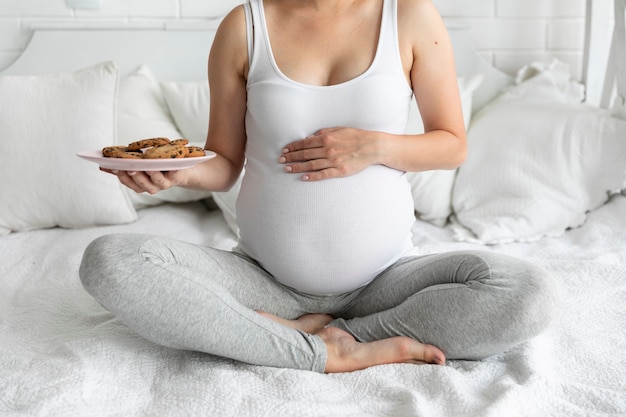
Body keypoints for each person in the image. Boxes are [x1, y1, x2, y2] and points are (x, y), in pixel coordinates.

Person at [80, 0, 557, 373]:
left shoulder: (409, 17)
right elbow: (224, 165)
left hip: (385, 282)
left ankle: (317, 334)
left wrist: (372, 147)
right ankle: (324, 353)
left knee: (528, 292)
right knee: (109, 262)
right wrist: (177, 173)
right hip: (263, 282)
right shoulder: (244, 27)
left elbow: (451, 145)